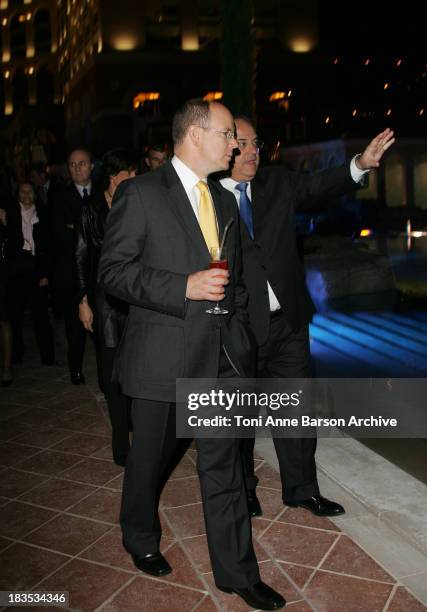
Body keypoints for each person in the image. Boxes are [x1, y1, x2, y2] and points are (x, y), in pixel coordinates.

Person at [98, 99, 285, 611]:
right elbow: (112, 273)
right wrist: (183, 286)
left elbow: (238, 281)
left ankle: (237, 573)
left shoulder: (225, 202)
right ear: (197, 134)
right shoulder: (140, 193)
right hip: (162, 359)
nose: (238, 145)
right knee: (147, 462)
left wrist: (242, 335)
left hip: (223, 358)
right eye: (229, 135)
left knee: (226, 467)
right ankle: (139, 537)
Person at [220, 117, 395, 518]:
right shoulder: (207, 196)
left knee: (296, 412)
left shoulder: (277, 184)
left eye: (256, 143)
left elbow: (320, 184)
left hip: (289, 324)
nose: (252, 152)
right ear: (224, 147)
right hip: (238, 329)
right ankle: (244, 488)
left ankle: (301, 489)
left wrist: (361, 164)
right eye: (242, 144)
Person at [75, 149, 137, 466]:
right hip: (105, 301)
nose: (135, 179)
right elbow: (81, 258)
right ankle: (120, 442)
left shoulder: (134, 204)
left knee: (137, 367)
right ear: (114, 177)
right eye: (129, 174)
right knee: (111, 372)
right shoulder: (90, 209)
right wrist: (83, 301)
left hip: (136, 297)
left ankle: (139, 431)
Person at [51, 148, 103, 384]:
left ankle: (106, 371)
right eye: (72, 164)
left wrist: (79, 229)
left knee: (102, 325)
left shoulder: (102, 193)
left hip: (100, 271)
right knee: (75, 328)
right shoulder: (59, 195)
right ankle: (76, 368)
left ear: (91, 165)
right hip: (70, 273)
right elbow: (59, 234)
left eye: (82, 163)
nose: (77, 168)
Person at [7, 182, 55, 367]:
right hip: (15, 270)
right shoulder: (9, 213)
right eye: (22, 191)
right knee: (15, 317)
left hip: (36, 270)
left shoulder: (42, 214)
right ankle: (15, 356)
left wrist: (45, 273)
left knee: (40, 316)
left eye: (30, 191)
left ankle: (48, 357)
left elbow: (48, 247)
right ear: (17, 193)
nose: (26, 194)